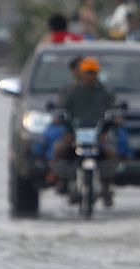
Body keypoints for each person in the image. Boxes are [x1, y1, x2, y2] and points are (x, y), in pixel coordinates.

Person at [50, 57, 120, 207]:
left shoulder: (105, 92)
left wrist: (112, 122)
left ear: (97, 73)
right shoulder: (71, 92)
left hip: (99, 134)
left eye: (92, 73)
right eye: (87, 72)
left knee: (111, 153)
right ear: (81, 73)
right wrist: (65, 126)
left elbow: (114, 110)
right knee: (59, 150)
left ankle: (107, 189)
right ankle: (62, 181)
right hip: (74, 134)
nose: (90, 76)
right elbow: (61, 110)